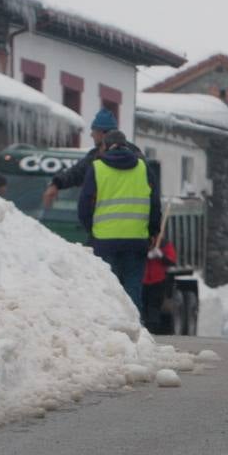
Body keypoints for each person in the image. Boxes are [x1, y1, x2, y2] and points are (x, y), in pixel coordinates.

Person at [77, 129, 161, 319]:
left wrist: (93, 229)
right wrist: (153, 231)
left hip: (105, 241)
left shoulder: (97, 168)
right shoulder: (143, 167)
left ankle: (110, 330)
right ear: (126, 145)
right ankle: (135, 334)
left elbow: (84, 205)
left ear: (105, 146)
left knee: (108, 289)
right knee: (132, 288)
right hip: (136, 240)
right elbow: (154, 203)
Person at [42, 107, 125, 210]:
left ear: (103, 133)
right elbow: (75, 173)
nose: (91, 135)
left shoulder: (132, 157)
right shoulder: (94, 156)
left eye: (93, 130)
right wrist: (56, 184)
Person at [142, 234, 179, 334]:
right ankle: (143, 327)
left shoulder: (163, 244)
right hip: (142, 280)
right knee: (143, 305)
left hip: (158, 280)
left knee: (154, 305)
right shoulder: (140, 242)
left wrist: (161, 256)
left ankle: (153, 327)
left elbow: (172, 261)